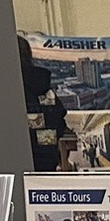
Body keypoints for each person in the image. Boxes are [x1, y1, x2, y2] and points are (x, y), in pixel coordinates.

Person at [18, 36, 65, 172]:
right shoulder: (43, 87)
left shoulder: (7, 89)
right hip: (46, 163)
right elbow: (59, 120)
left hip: (12, 163)